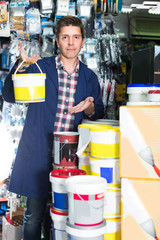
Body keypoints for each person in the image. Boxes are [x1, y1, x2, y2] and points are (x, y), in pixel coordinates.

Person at [2, 16, 104, 240]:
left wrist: (89, 108)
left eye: (75, 37)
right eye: (65, 37)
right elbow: (10, 95)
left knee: (64, 217)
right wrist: (21, 66)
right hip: (39, 153)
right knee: (34, 217)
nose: (71, 42)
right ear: (57, 41)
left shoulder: (90, 77)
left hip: (71, 159)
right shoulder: (40, 67)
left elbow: (99, 114)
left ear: (82, 40)